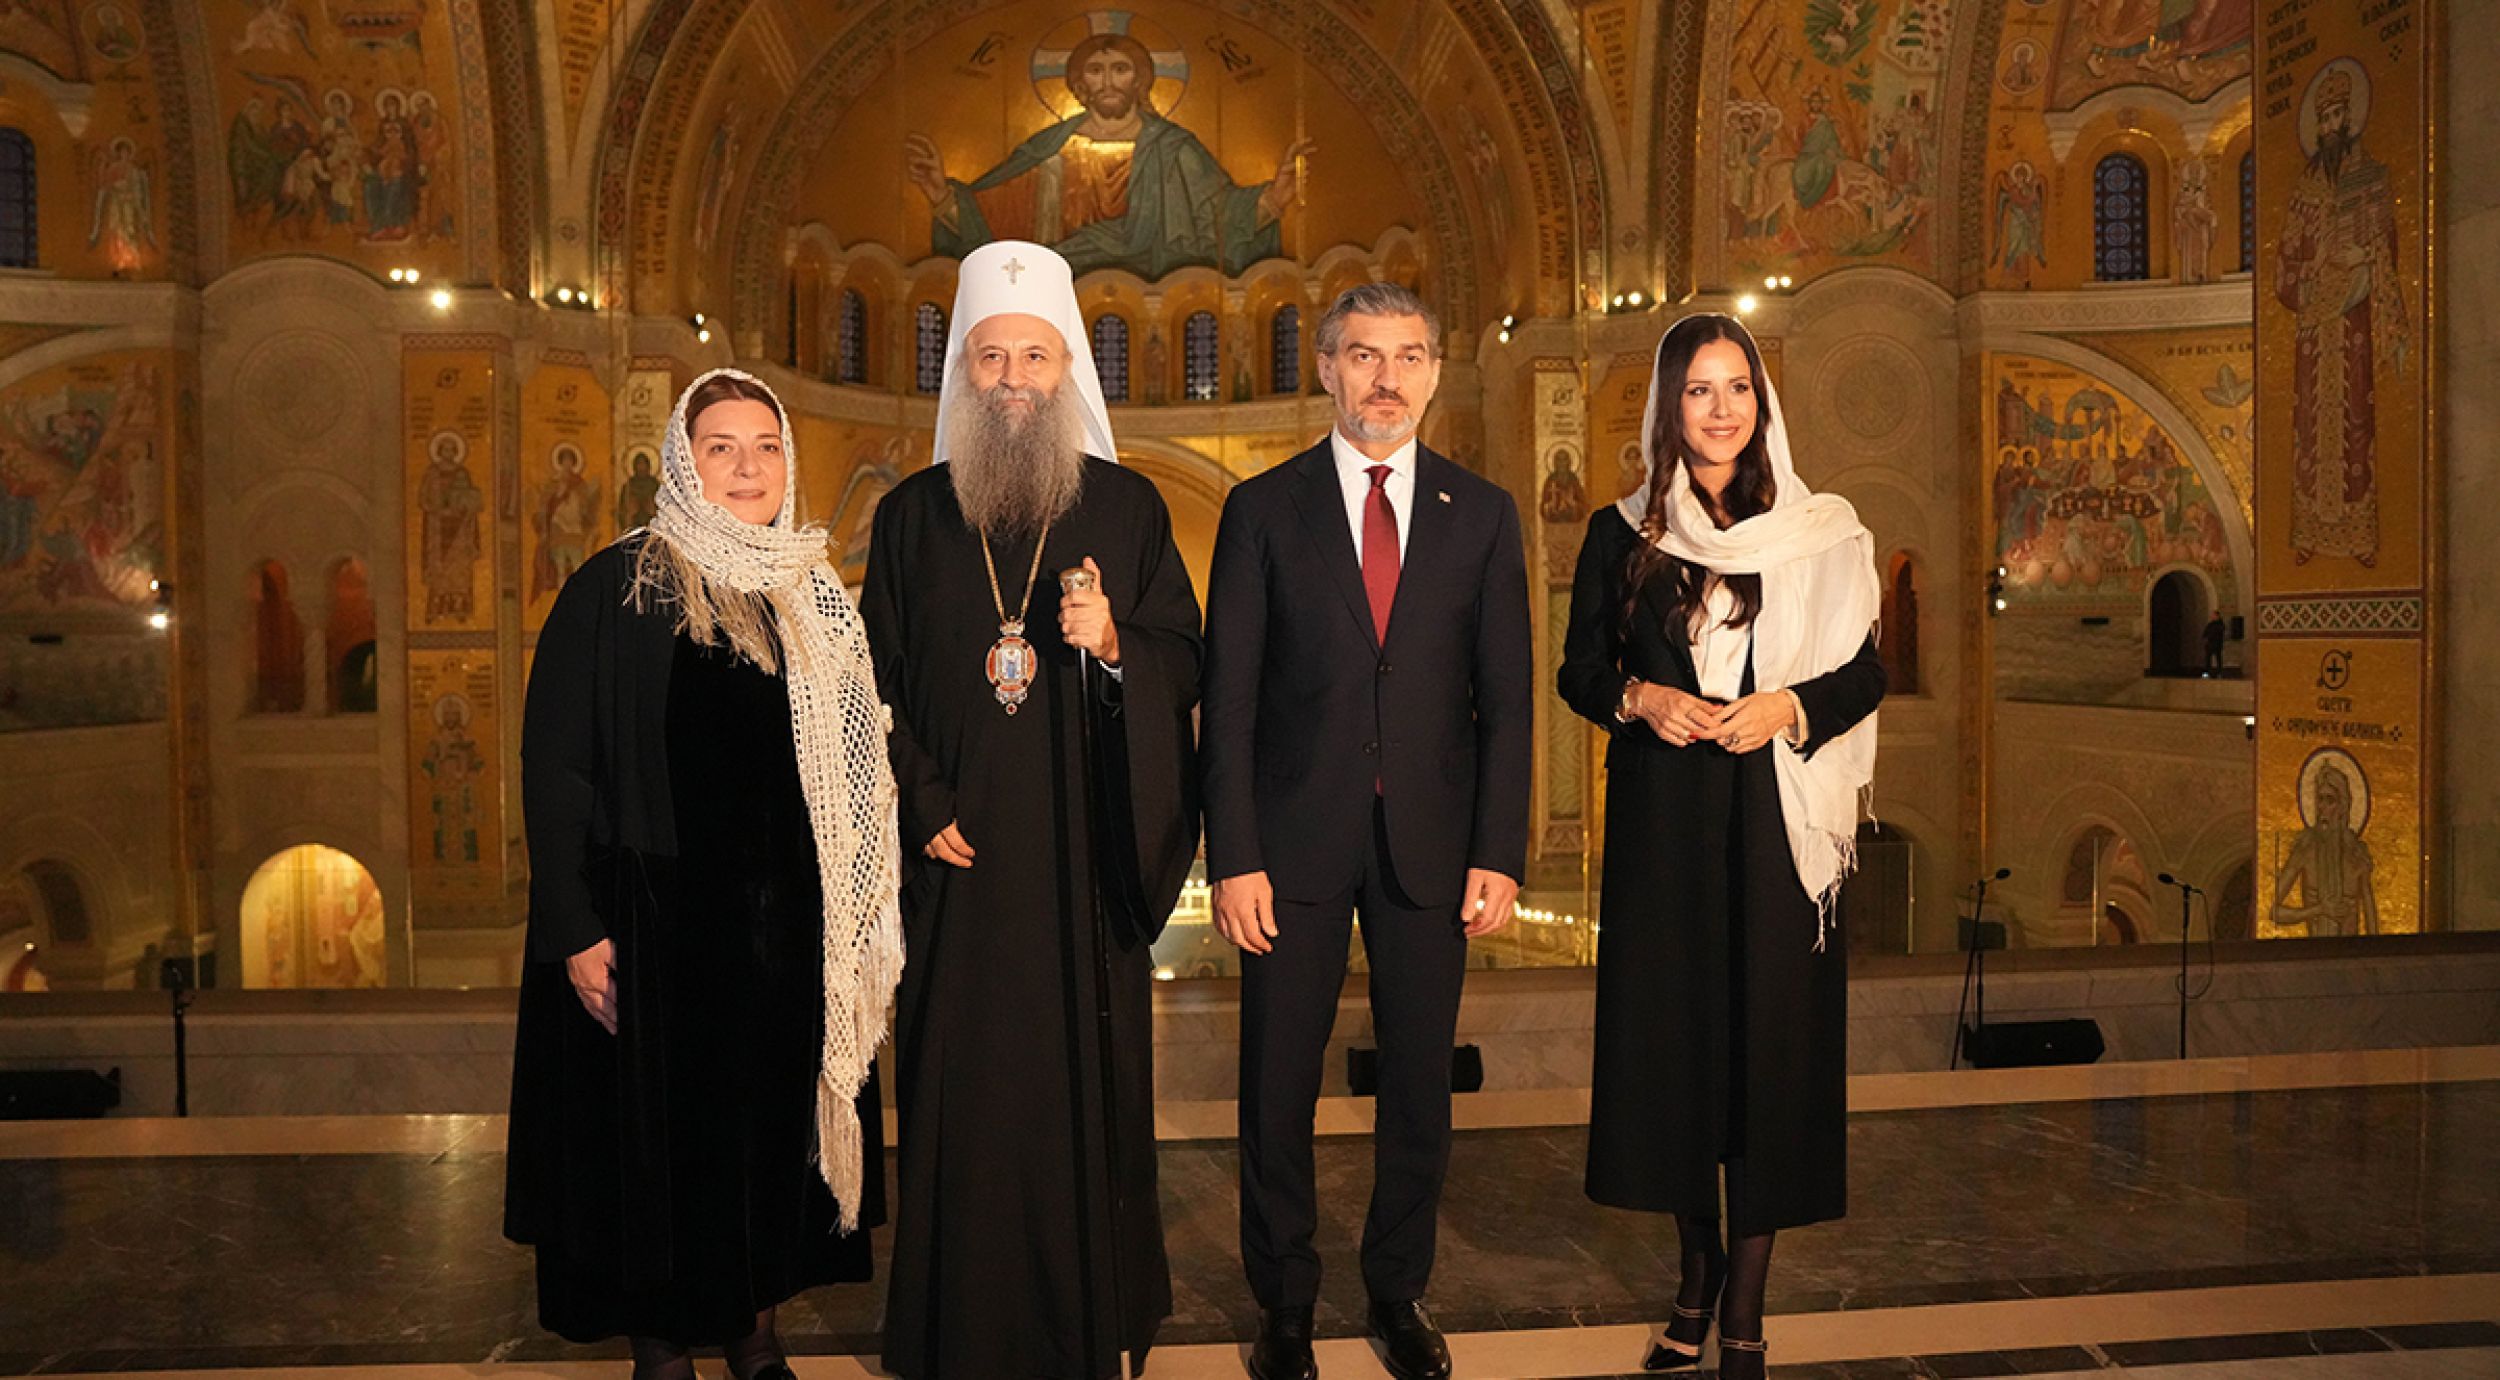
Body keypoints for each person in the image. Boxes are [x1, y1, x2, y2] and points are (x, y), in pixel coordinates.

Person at [504, 369, 904, 1380]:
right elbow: (555, 764)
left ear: (788, 463)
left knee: (766, 1140)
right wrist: (572, 926)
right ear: (683, 460)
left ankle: (755, 1328)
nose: (745, 466)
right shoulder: (619, 582)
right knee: (658, 1149)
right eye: (720, 445)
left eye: (764, 445)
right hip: (653, 924)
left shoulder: (814, 595)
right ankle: (662, 1342)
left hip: (782, 932)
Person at [863, 240, 1202, 1379]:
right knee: (960, 1094)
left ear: (1070, 373)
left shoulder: (1129, 506)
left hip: (1077, 862)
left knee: (1083, 1098)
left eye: (1035, 357)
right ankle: (957, 1325)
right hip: (957, 863)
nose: (1013, 379)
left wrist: (1113, 645)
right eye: (992, 357)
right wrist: (918, 800)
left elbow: (1183, 660)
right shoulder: (912, 517)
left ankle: (1082, 1315)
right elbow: (871, 683)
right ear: (963, 373)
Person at [1201, 281, 1532, 1380]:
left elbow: (1508, 699)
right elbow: (1229, 700)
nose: (1385, 377)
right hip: (1288, 847)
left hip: (1433, 850)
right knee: (1275, 1087)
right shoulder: (1261, 509)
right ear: (1328, 369)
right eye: (1362, 355)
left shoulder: (1481, 514)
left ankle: (1397, 1293)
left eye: (1408, 355)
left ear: (1434, 371)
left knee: (1419, 1090)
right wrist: (1232, 855)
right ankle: (1284, 1305)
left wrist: (1498, 849)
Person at [1558, 314, 1884, 1378]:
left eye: (1736, 386)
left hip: (1777, 830)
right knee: (1679, 1068)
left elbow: (1865, 674)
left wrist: (1787, 704)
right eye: (1697, 390)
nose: (1720, 409)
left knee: (1767, 1066)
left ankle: (1742, 1310)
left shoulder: (1819, 528)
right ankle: (1692, 1276)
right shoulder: (1622, 532)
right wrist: (1642, 695)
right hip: (1664, 829)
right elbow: (1578, 673)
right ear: (1668, 408)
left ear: (1761, 400)